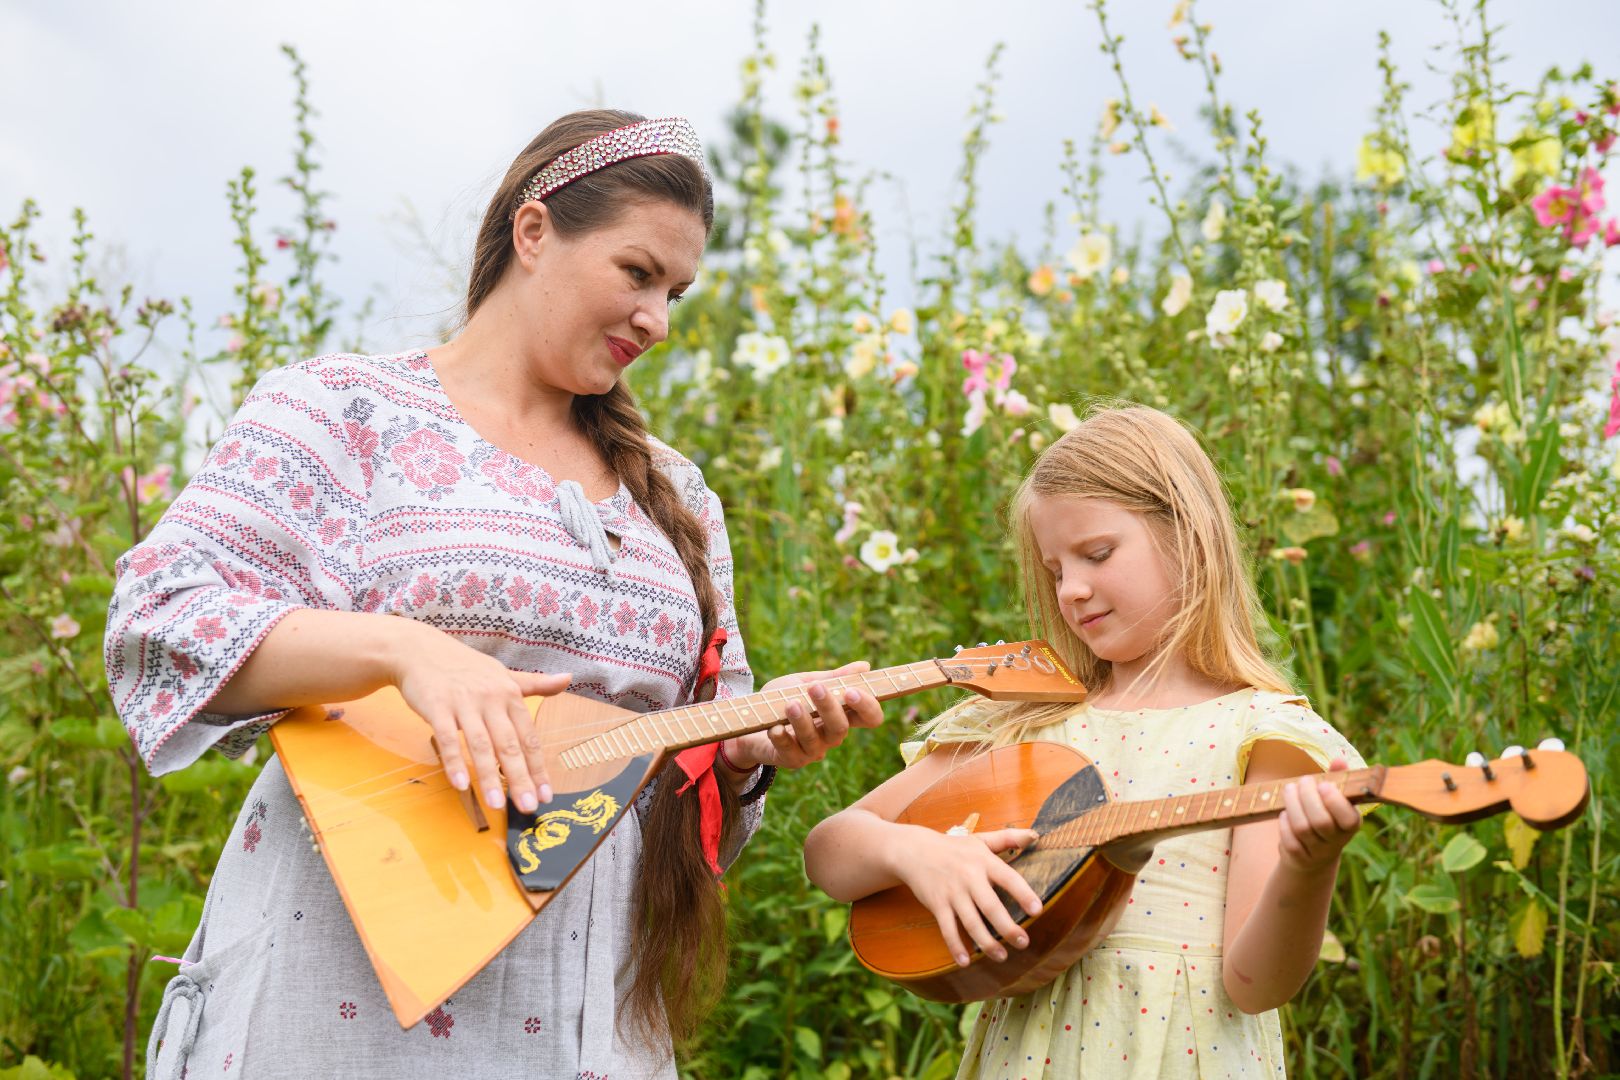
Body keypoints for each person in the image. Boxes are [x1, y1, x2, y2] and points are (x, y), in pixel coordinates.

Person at [106, 110, 883, 1079]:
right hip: (349, 973)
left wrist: (746, 751)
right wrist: (405, 652)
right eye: (638, 273)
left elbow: (682, 769)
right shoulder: (346, 411)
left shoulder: (676, 497)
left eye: (676, 291)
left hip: (591, 1014)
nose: (659, 319)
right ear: (533, 231)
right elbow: (162, 619)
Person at [804, 404, 1366, 1078]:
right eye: (1054, 569)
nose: (1071, 590)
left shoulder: (1260, 735)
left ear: (1189, 533)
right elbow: (830, 851)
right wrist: (916, 853)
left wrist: (1310, 866)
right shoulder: (1029, 715)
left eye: (1097, 554)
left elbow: (1255, 986)